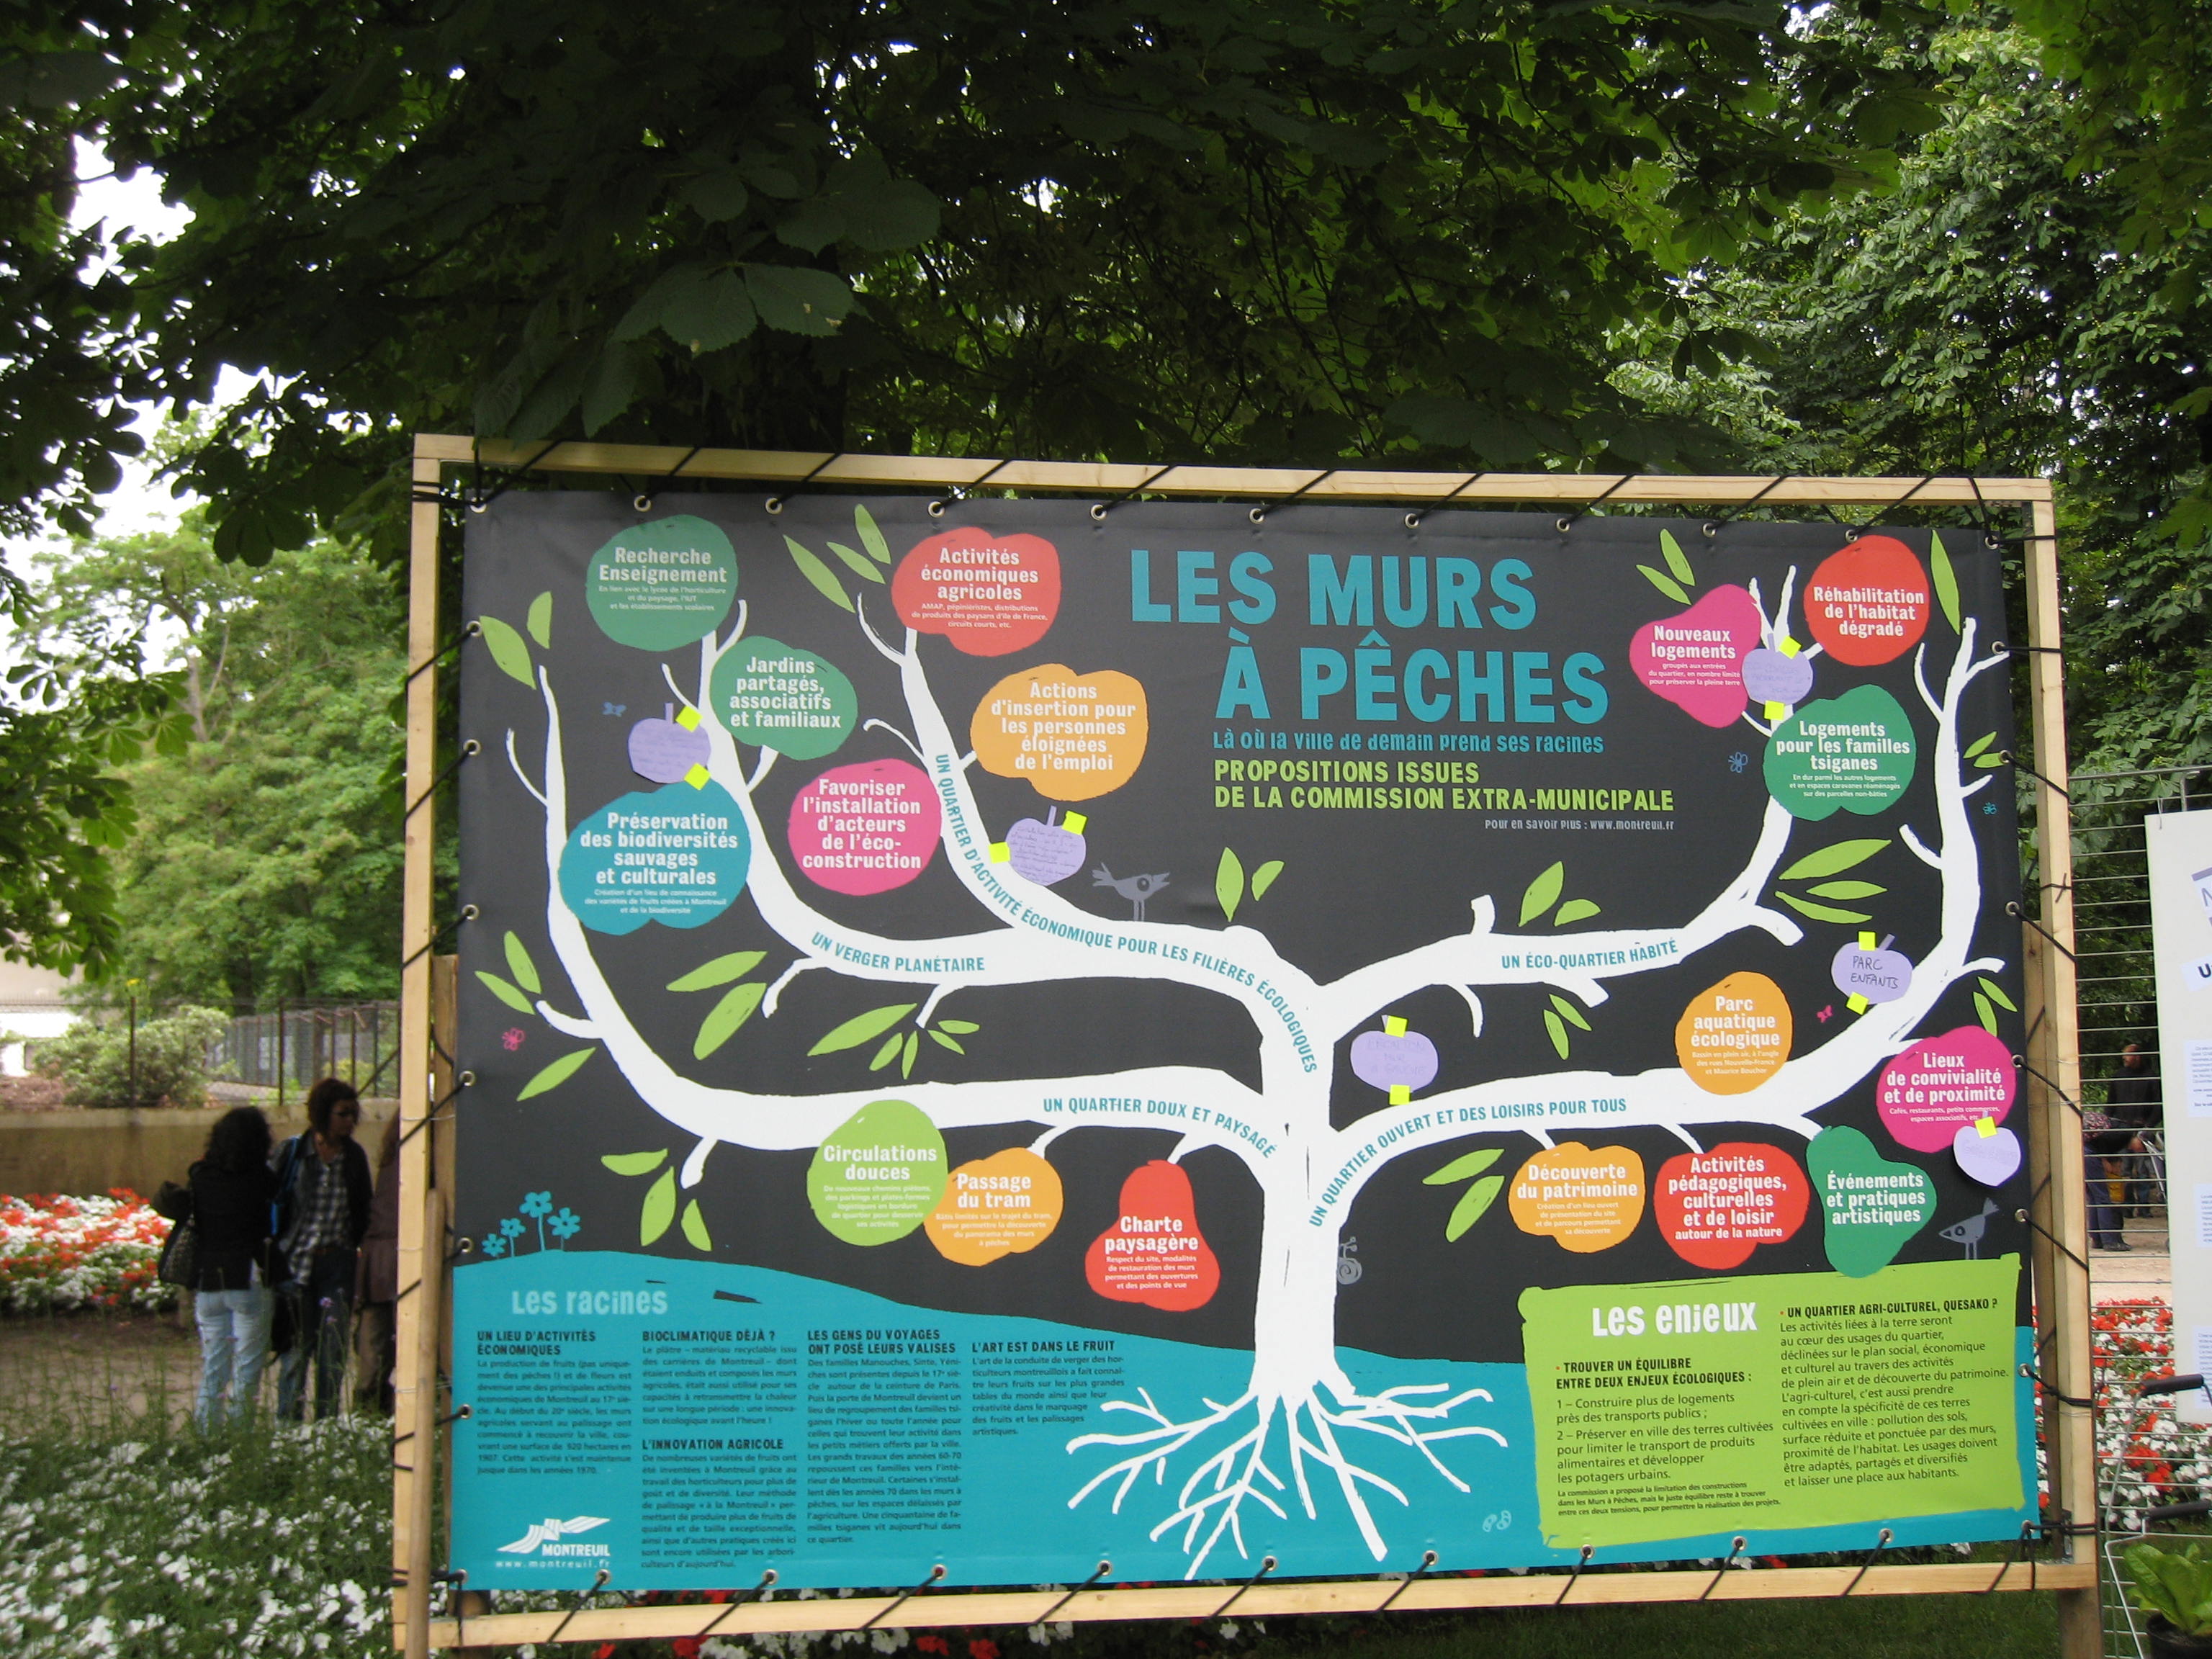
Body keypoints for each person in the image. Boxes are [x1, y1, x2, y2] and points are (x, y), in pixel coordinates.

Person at [273, 1078, 373, 1420]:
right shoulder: (294, 1153)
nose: (349, 1121)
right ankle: (289, 1425)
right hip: (296, 1262)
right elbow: (274, 1201)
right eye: (342, 1114)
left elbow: (363, 1207)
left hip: (337, 1263)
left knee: (333, 1351)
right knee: (295, 1351)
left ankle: (326, 1425)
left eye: (353, 1114)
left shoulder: (354, 1157)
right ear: (322, 1113)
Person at [189, 1105, 279, 1425]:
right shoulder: (261, 1179)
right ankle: (241, 1436)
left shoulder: (200, 1176)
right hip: (247, 1275)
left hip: (209, 1279)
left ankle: (206, 1432)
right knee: (247, 1367)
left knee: (213, 1366)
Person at [354, 1113, 401, 1413]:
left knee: (374, 1344)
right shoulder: (415, 1159)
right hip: (396, 1252)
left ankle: (368, 1411)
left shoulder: (389, 1159)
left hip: (377, 1256)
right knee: (392, 1340)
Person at [2109, 1043, 2164, 1217]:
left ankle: (2144, 1206)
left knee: (2142, 1170)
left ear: (2137, 1056)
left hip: (2142, 1129)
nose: (2124, 1058)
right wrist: (2109, 1126)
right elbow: (2111, 1103)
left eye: (2127, 1055)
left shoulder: (2151, 1077)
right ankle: (2127, 1206)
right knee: (2125, 1169)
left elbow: (2158, 1106)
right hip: (2122, 1128)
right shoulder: (2119, 1076)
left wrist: (2148, 1127)